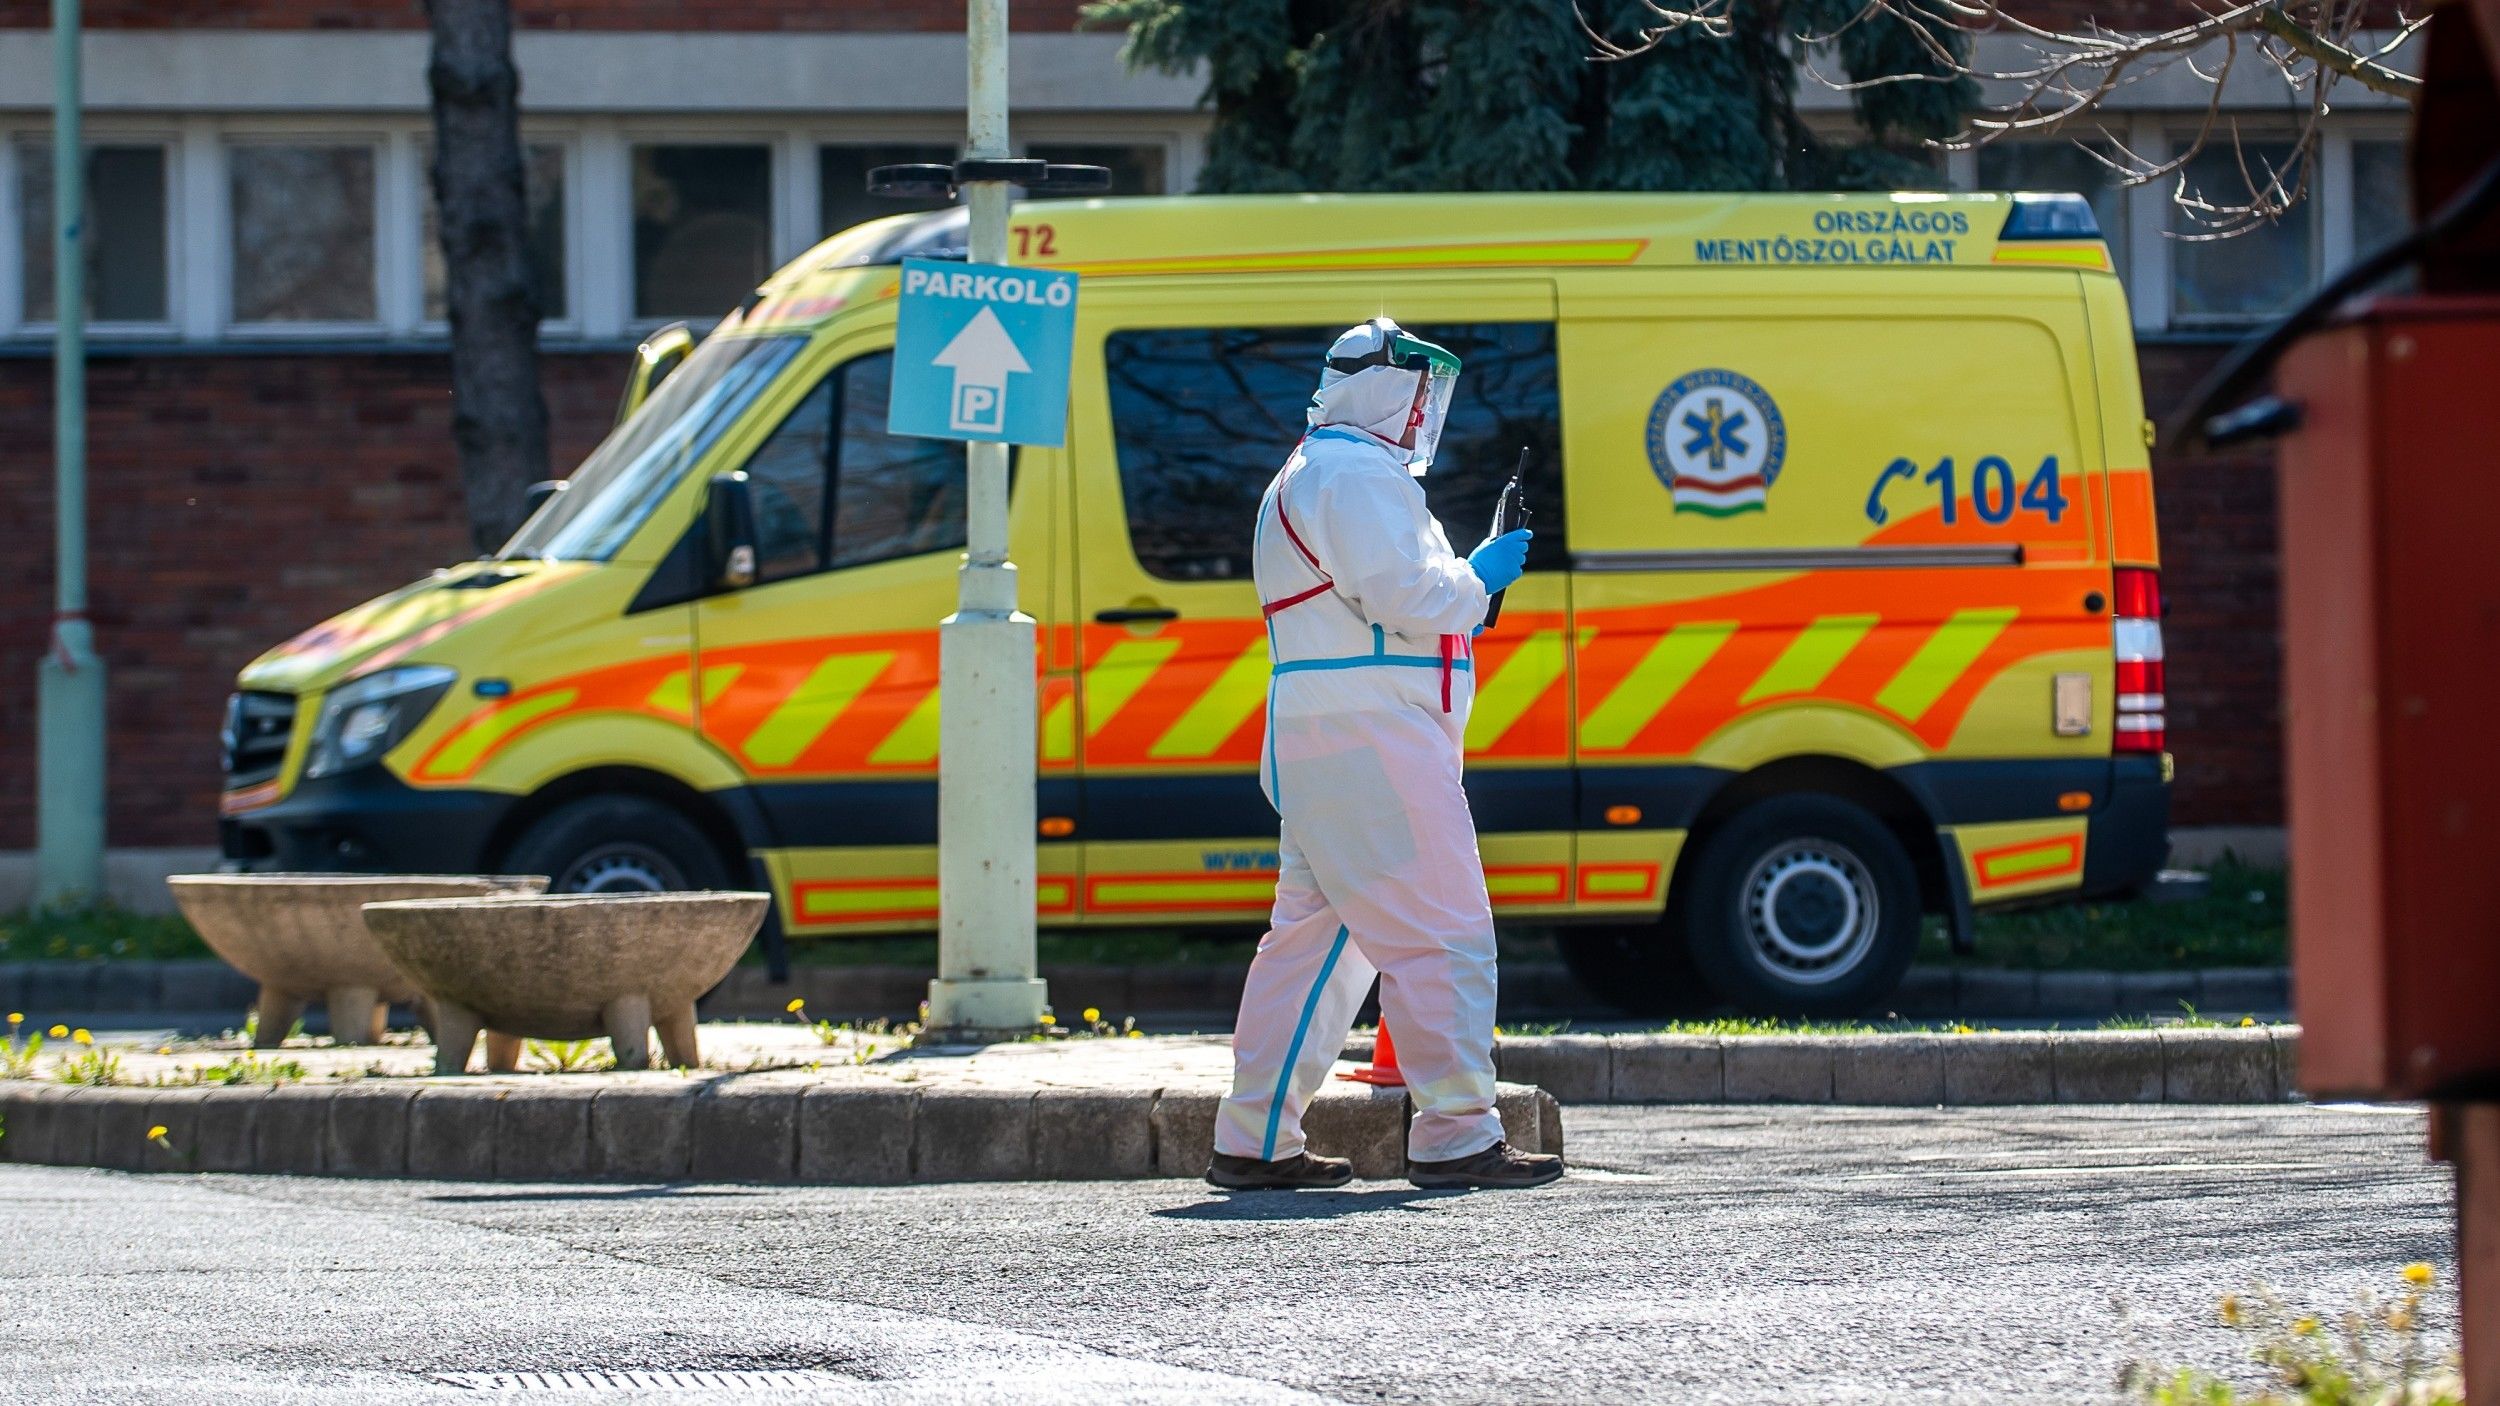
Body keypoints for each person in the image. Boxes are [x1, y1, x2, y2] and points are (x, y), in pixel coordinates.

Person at [1208, 318, 1562, 1192]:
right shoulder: (1354, 472)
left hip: (1333, 733)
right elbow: (1406, 596)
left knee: (1315, 951)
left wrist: (1469, 584)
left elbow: (1388, 599)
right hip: (1373, 738)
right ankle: (1455, 1135)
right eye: (1416, 394)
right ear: (1384, 390)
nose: (1423, 414)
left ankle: (1253, 1141)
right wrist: (1481, 576)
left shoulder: (1321, 468)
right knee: (1445, 929)